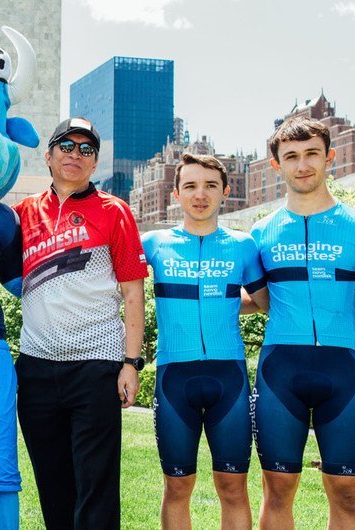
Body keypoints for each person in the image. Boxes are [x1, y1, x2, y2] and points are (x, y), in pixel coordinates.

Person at [251, 116, 355, 529]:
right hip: (280, 371)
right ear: (275, 165)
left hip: (344, 373)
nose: (303, 165)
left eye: (312, 155)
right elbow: (258, 298)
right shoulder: (259, 234)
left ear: (329, 158)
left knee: (347, 494)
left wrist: (352, 336)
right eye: (292, 157)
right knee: (277, 489)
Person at [9, 117, 147, 529]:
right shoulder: (22, 213)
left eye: (86, 150)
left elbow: (133, 293)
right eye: (66, 146)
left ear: (95, 163)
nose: (75, 155)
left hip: (96, 366)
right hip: (35, 367)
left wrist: (131, 363)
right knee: (52, 484)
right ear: (48, 156)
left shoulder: (114, 211)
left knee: (96, 485)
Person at [141, 153, 270, 530]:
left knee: (233, 486)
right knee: (177, 487)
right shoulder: (153, 243)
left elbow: (263, 303)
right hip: (173, 379)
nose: (201, 194)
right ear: (176, 194)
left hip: (228, 376)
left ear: (225, 192)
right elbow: (117, 289)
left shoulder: (243, 245)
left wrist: (221, 303)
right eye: (191, 186)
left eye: (211, 185)